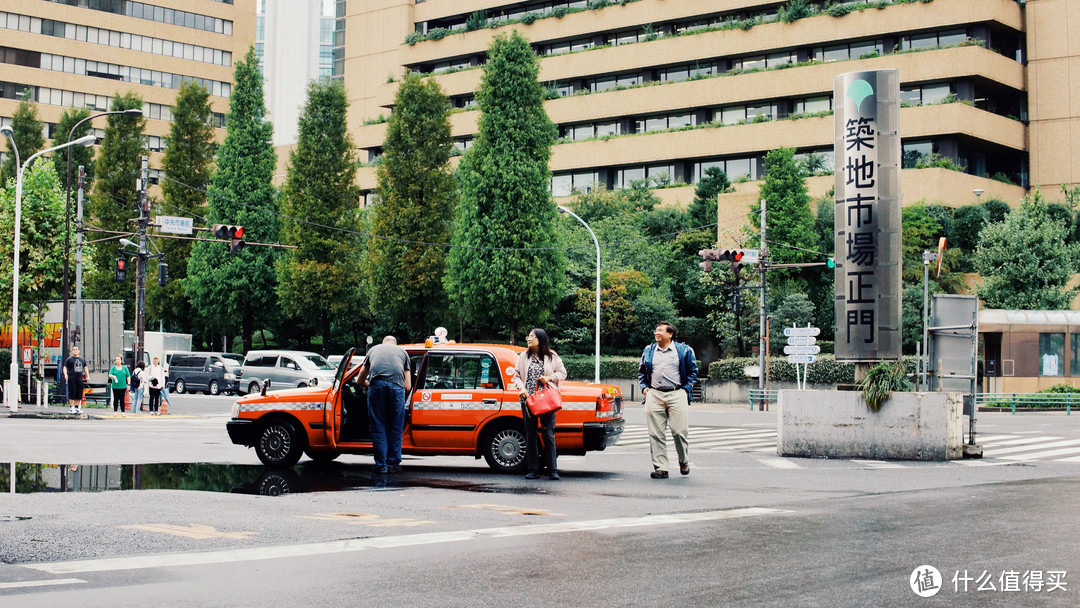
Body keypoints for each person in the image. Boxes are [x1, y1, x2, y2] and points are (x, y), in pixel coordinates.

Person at [638, 321, 698, 479]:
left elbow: (693, 371)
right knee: (656, 433)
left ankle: (683, 460)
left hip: (677, 393)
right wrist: (644, 388)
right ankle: (661, 468)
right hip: (654, 394)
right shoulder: (649, 350)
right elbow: (642, 370)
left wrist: (686, 389)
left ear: (670, 334)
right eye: (656, 330)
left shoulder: (684, 350)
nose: (657, 333)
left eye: (660, 331)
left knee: (679, 431)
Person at [512, 328, 567, 480]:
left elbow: (563, 373)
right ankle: (533, 469)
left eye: (532, 337)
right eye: (528, 336)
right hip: (529, 400)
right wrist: (521, 388)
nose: (528, 339)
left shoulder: (552, 356)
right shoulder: (523, 356)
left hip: (547, 400)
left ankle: (552, 470)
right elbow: (516, 376)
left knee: (548, 434)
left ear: (541, 339)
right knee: (530, 435)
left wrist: (549, 378)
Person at [356, 336, 412, 474]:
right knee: (395, 427)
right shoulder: (403, 353)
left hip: (377, 388)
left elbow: (359, 379)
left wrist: (369, 385)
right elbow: (408, 386)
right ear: (395, 343)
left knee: (378, 426)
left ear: (383, 343)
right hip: (397, 389)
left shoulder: (373, 350)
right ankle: (393, 464)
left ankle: (381, 466)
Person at [63, 345, 88, 414]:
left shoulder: (82, 359)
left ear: (79, 351)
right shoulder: (69, 359)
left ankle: (77, 408)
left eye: (76, 349)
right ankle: (71, 407)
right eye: (73, 349)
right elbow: (65, 367)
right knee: (72, 393)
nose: (75, 351)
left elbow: (85, 368)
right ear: (72, 351)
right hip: (71, 379)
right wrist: (65, 374)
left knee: (79, 394)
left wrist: (87, 376)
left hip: (79, 379)